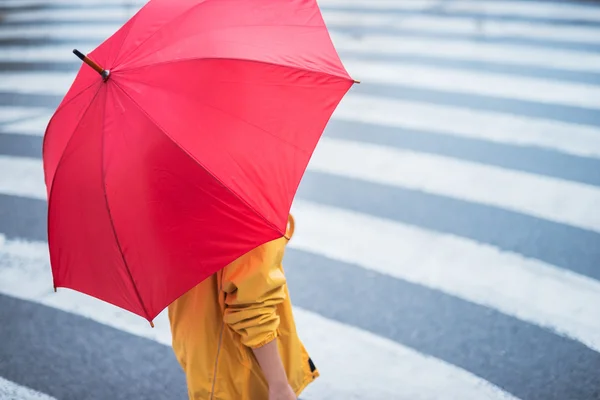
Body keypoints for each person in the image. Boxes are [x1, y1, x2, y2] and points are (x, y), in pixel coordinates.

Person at [168, 214, 319, 399]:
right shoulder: (244, 212)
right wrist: (278, 385)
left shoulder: (176, 202)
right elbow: (254, 307)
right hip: (240, 371)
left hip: (201, 354)